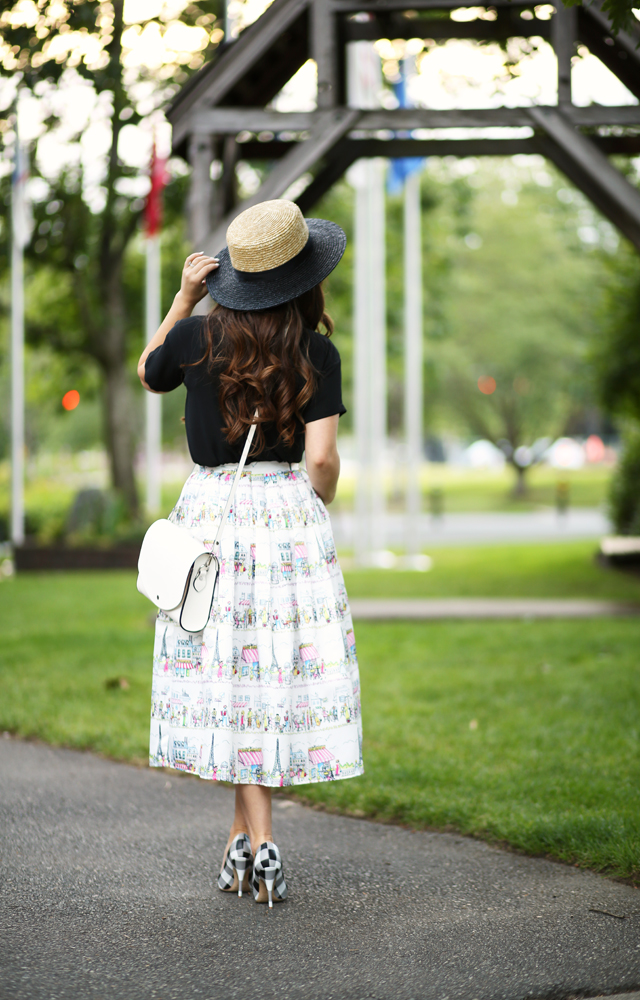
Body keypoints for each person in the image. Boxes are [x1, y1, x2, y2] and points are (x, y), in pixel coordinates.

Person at [138, 200, 363, 908]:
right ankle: (259, 844)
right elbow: (323, 462)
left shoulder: (197, 338)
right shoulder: (316, 354)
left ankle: (248, 844)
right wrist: (311, 497)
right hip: (286, 521)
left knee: (228, 676)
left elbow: (147, 370)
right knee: (267, 677)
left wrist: (181, 298)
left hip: (210, 514)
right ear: (304, 279)